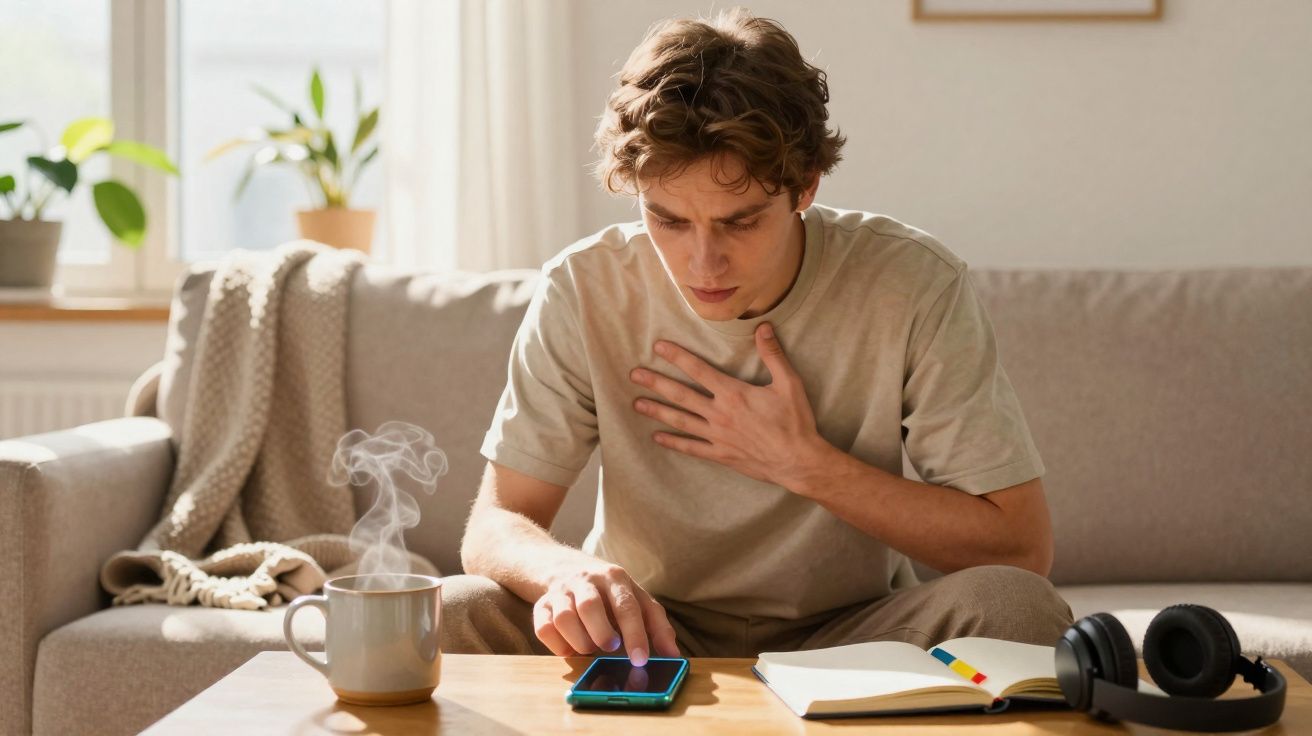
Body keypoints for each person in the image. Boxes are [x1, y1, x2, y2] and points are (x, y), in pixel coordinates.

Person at [443, 7, 1073, 663]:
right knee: (457, 613)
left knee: (1016, 609)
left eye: (740, 222)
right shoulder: (582, 289)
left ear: (805, 185)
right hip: (643, 632)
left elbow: (1022, 549)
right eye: (669, 220)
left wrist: (806, 464)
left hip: (855, 629)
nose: (702, 263)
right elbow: (492, 527)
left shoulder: (912, 283)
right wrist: (563, 573)